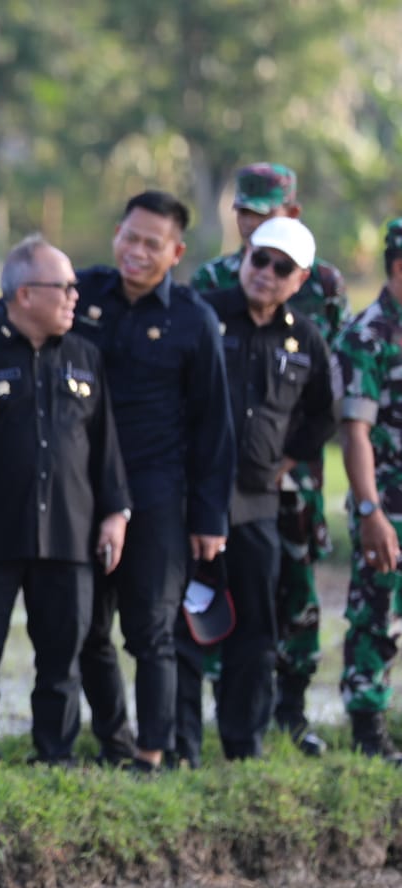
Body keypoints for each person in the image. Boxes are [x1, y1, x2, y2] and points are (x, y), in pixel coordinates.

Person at [0, 236, 131, 768]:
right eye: (64, 287)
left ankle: (56, 752)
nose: (76, 296)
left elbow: (106, 446)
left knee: (62, 656)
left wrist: (116, 514)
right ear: (25, 294)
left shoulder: (85, 356)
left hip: (70, 532)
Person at [72, 190, 235, 771]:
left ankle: (152, 752)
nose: (137, 252)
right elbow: (9, 316)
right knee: (86, 628)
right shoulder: (83, 293)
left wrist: (209, 519)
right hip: (83, 489)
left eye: (152, 244)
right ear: (117, 233)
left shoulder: (194, 319)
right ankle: (113, 741)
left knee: (151, 631)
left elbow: (215, 426)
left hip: (158, 493)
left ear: (176, 252)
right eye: (131, 237)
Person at [190, 163, 349, 755]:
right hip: (216, 478)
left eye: (266, 213)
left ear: (293, 216)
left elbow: (325, 391)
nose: (253, 226)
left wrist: (291, 457)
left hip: (289, 475)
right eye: (244, 213)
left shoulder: (324, 288)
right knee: (211, 592)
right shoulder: (212, 282)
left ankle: (289, 712)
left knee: (292, 590)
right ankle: (212, 715)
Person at [335, 217, 402, 766]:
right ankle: (368, 735)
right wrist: (369, 510)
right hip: (389, 507)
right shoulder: (368, 335)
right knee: (376, 619)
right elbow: (354, 431)